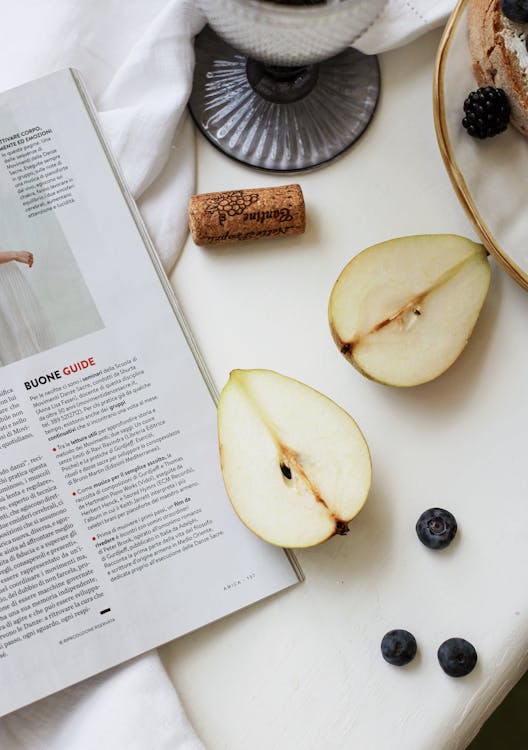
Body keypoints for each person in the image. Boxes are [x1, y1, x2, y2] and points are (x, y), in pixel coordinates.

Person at [0, 249, 55, 366]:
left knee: (28, 341)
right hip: (4, 289)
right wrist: (13, 255)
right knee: (17, 345)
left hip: (7, 280)